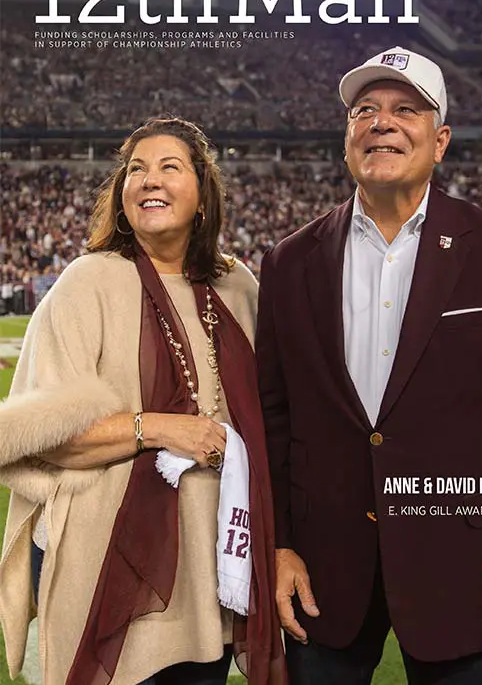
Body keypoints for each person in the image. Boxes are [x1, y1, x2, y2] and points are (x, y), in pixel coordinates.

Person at [255, 47, 482, 685]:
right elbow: (274, 418)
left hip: (461, 569)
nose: (381, 122)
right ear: (347, 137)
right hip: (323, 576)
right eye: (364, 110)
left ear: (441, 140)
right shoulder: (289, 261)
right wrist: (278, 547)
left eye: (406, 109)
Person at [0, 117, 286, 685]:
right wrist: (158, 427)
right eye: (136, 169)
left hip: (210, 575)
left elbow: (276, 417)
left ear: (203, 195)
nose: (148, 180)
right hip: (107, 563)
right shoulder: (89, 281)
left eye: (169, 167)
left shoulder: (239, 287)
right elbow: (37, 436)